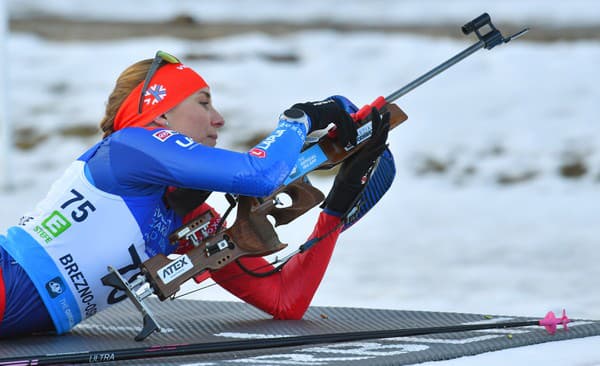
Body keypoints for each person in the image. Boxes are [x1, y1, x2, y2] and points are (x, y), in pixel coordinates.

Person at [0, 51, 391, 337]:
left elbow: (284, 299)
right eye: (203, 103)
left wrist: (338, 206)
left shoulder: (188, 215)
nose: (218, 118)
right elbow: (258, 175)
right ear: (160, 115)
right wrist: (301, 118)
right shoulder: (130, 146)